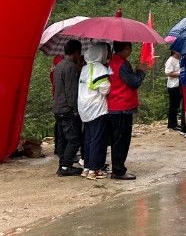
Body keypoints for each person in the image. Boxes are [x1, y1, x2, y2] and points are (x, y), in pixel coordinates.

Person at [104, 41, 146, 179]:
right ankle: (118, 170)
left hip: (114, 104)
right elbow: (134, 82)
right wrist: (140, 71)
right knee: (122, 140)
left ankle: (117, 168)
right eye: (130, 48)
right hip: (122, 106)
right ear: (126, 48)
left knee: (117, 139)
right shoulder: (122, 64)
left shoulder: (112, 62)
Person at [78, 43, 112, 180]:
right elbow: (105, 89)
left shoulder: (85, 68)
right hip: (97, 108)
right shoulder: (100, 68)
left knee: (88, 138)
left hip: (84, 108)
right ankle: (94, 169)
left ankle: (86, 167)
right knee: (98, 139)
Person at [52, 39, 84, 176]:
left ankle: (62, 164)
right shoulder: (70, 67)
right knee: (74, 139)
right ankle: (66, 166)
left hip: (58, 107)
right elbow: (71, 91)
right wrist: (75, 109)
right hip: (67, 109)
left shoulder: (59, 65)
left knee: (62, 139)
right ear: (76, 52)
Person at [164, 49, 184, 133]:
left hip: (180, 84)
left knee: (177, 105)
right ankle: (171, 124)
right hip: (173, 85)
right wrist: (180, 73)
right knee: (173, 105)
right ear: (174, 51)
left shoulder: (180, 59)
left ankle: (175, 123)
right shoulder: (171, 60)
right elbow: (168, 73)